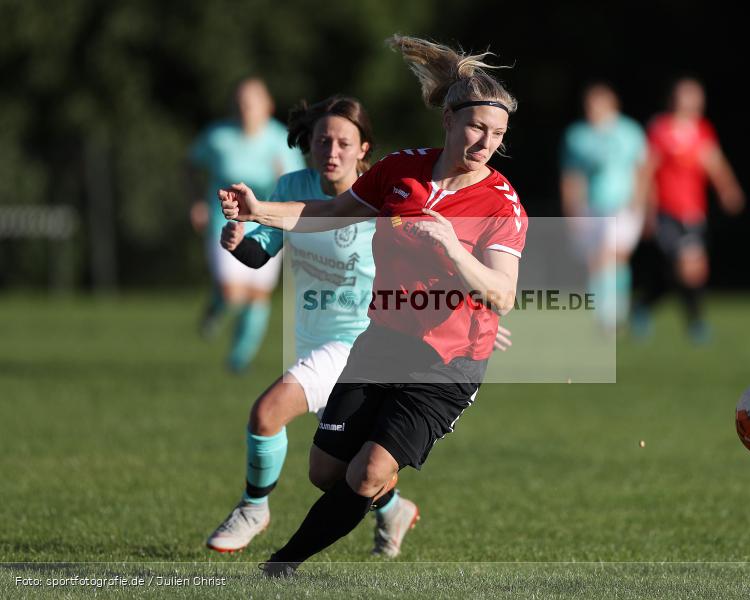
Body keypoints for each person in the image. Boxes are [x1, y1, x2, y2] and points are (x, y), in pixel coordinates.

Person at [219, 34, 527, 576]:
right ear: (449, 122)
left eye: (498, 133)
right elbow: (332, 212)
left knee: (366, 475)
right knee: (325, 471)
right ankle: (392, 507)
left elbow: (502, 292)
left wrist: (452, 247)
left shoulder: (501, 204)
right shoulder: (400, 171)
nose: (486, 142)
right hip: (384, 340)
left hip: (447, 362)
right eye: (478, 127)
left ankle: (280, 566)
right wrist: (259, 209)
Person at [205, 95, 418, 558]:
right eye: (324, 139)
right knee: (338, 472)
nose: (332, 150)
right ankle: (393, 508)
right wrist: (239, 239)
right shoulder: (293, 185)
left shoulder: (382, 200)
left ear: (365, 149)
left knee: (266, 414)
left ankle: (253, 508)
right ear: (311, 144)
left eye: (345, 142)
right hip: (310, 341)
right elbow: (261, 251)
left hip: (357, 344)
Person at [188, 77, 304, 372]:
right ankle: (216, 307)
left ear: (267, 106)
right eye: (240, 103)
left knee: (257, 296)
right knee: (233, 293)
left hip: (266, 222)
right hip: (224, 220)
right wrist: (196, 202)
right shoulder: (218, 137)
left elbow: (295, 186)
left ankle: (238, 360)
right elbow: (191, 166)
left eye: (251, 103)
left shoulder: (281, 141)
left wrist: (283, 179)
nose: (245, 109)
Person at [634, 77, 744, 342]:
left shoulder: (702, 130)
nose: (691, 101)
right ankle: (696, 324)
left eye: (695, 96)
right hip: (666, 212)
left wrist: (728, 189)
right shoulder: (660, 129)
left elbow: (714, 163)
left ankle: (643, 306)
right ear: (673, 98)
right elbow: (647, 170)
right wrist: (646, 208)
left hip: (694, 211)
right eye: (686, 95)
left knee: (688, 271)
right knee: (688, 267)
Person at [560, 82, 649, 332]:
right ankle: (605, 313)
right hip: (592, 205)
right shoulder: (577, 135)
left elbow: (643, 169)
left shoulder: (629, 131)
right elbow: (571, 176)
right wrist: (572, 209)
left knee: (615, 257)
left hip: (624, 204)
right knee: (598, 259)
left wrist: (640, 201)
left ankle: (613, 312)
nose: (592, 109)